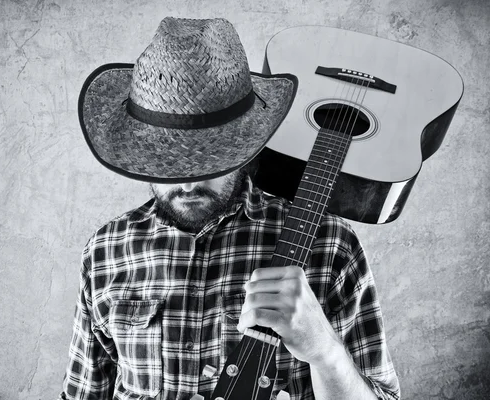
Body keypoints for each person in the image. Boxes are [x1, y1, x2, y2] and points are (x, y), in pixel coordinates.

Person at [61, 17, 400, 400]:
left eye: (208, 158)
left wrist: (324, 352)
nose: (187, 183)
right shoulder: (104, 252)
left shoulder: (330, 244)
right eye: (166, 160)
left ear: (247, 145)